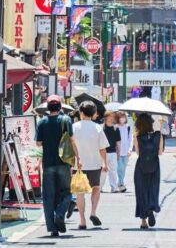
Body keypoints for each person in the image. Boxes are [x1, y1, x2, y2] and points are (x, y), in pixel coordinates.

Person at [35, 94, 76, 237]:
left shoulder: (42, 122)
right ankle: (60, 213)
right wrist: (77, 158)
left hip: (47, 163)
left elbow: (38, 143)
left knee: (48, 196)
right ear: (60, 107)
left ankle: (52, 228)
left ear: (48, 107)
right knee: (67, 192)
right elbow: (71, 140)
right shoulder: (66, 120)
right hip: (64, 162)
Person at [72, 101, 109, 229]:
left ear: (81, 113)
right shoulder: (98, 128)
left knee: (80, 193)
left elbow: (70, 145)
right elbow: (102, 149)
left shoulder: (74, 127)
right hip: (95, 164)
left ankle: (82, 220)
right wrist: (104, 163)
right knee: (96, 188)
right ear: (94, 114)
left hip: (78, 165)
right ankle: (93, 212)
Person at [133, 113, 163, 229]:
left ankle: (143, 221)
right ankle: (151, 208)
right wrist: (159, 128)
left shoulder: (137, 136)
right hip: (155, 166)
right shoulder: (157, 135)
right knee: (153, 189)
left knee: (141, 192)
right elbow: (160, 152)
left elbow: (138, 153)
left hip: (141, 166)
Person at [101, 110, 121, 193]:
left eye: (113, 116)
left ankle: (114, 187)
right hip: (102, 152)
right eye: (110, 116)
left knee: (113, 170)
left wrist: (118, 152)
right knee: (102, 171)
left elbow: (118, 142)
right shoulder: (101, 128)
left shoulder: (116, 128)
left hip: (112, 152)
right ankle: (99, 187)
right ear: (106, 117)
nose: (112, 118)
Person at [115, 112, 132, 192]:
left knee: (123, 168)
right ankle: (121, 184)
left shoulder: (128, 127)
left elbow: (131, 139)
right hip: (118, 152)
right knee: (120, 168)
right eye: (121, 117)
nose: (122, 119)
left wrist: (130, 149)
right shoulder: (116, 127)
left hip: (126, 151)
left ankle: (120, 183)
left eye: (124, 117)